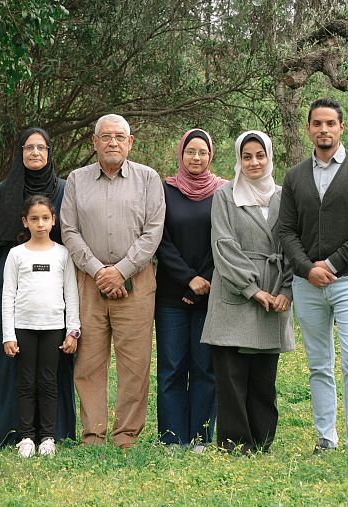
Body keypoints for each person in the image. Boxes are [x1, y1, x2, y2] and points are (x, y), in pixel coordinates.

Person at [279, 98, 348, 466]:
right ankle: (326, 438)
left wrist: (334, 263)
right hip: (307, 283)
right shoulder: (294, 177)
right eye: (317, 124)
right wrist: (307, 268)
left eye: (330, 123)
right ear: (308, 129)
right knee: (319, 363)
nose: (324, 130)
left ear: (342, 128)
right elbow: (286, 230)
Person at [60, 113, 165, 448]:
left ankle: (126, 435)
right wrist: (98, 271)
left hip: (136, 282)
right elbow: (69, 230)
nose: (113, 142)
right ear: (94, 143)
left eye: (120, 137)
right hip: (89, 284)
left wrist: (121, 270)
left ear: (130, 142)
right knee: (89, 361)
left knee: (135, 364)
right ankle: (93, 433)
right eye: (105, 137)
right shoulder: (76, 179)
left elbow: (153, 232)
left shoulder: (148, 179)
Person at [0, 127, 76, 448]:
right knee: (10, 361)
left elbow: (70, 238)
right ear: (20, 152)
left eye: (41, 148)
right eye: (29, 147)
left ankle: (52, 432)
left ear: (49, 152)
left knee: (52, 368)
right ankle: (11, 433)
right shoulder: (4, 192)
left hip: (52, 289)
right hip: (12, 285)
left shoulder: (63, 190)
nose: (35, 153)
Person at [201, 130, 295, 454]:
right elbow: (223, 245)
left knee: (263, 378)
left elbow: (295, 245)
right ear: (239, 160)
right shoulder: (225, 196)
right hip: (236, 292)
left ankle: (262, 441)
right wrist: (252, 289)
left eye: (260, 155)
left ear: (270, 157)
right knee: (231, 376)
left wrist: (285, 289)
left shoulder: (286, 196)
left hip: (275, 291)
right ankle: (235, 444)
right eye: (247, 156)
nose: (254, 162)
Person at [154, 128, 227, 451]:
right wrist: (188, 279)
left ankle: (198, 438)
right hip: (171, 294)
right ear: (180, 154)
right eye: (190, 152)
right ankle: (172, 438)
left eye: (202, 152)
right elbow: (161, 241)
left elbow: (224, 240)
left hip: (211, 294)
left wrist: (203, 280)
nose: (196, 158)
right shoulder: (164, 191)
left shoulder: (224, 192)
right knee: (171, 368)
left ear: (211, 156)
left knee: (204, 368)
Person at [1, 196, 80, 458]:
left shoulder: (62, 254)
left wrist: (73, 330)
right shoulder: (16, 254)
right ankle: (26, 437)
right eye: (34, 219)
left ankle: (47, 436)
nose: (40, 224)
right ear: (25, 222)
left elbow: (71, 293)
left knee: (48, 382)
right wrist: (8, 335)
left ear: (54, 220)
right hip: (23, 327)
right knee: (25, 383)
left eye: (45, 218)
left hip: (54, 327)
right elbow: (8, 295)